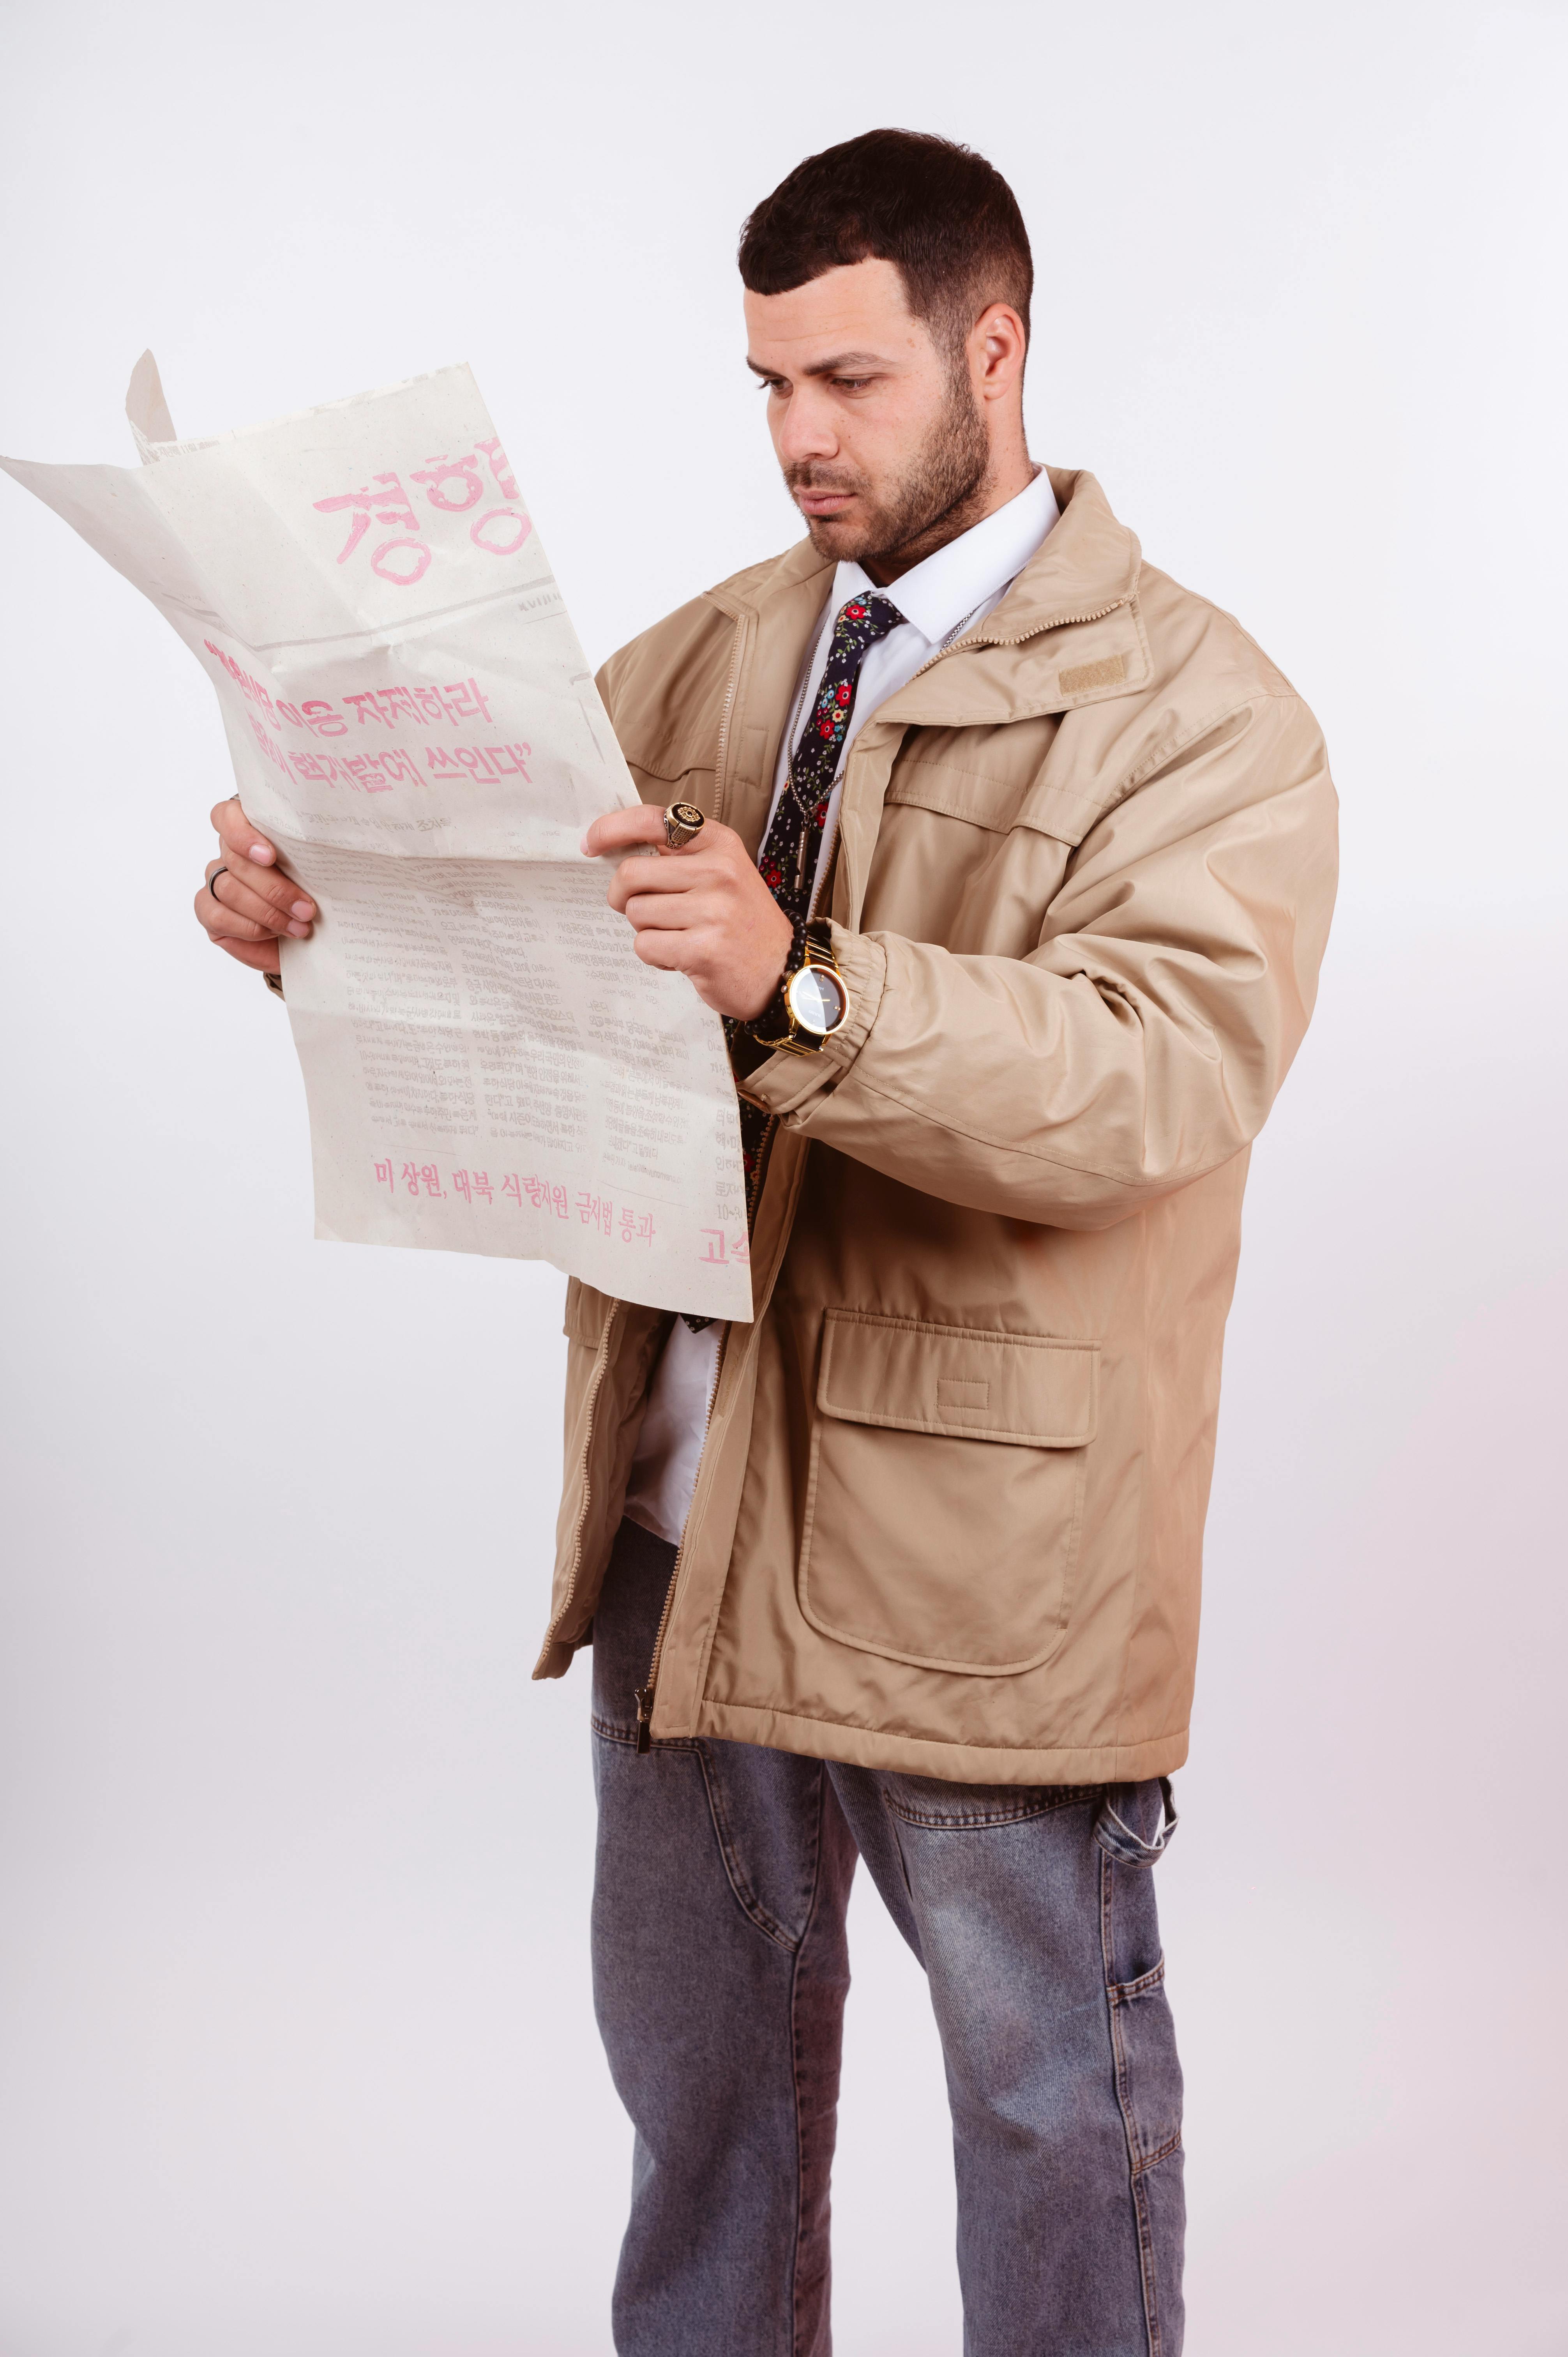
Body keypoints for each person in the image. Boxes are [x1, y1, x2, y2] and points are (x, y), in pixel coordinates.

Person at [196, 128, 1337, 2357]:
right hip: (678, 1528)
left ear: (990, 350)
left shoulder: (1200, 713)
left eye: (845, 380)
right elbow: (521, 927)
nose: (799, 437)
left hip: (975, 1564)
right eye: (764, 387)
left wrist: (800, 985)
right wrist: (308, 914)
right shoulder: (714, 654)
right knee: (702, 2107)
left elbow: (1154, 1076)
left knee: (1042, 2105)